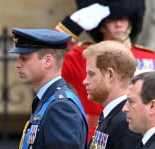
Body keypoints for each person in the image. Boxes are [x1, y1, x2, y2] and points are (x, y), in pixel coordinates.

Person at [55, 0, 155, 141]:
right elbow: (47, 66)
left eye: (123, 18)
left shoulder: (149, 58)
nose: (119, 24)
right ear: (100, 25)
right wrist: (70, 28)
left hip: (142, 138)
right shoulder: (80, 56)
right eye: (112, 19)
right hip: (97, 137)